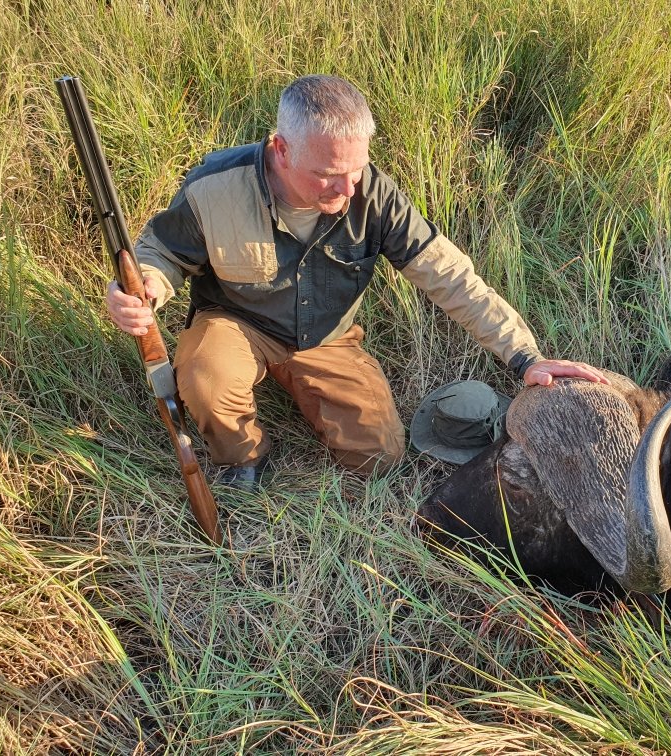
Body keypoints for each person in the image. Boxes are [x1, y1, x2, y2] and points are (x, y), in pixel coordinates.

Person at [106, 74, 609, 486]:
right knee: (206, 378)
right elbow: (158, 253)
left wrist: (527, 357)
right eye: (328, 173)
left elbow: (452, 277)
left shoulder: (373, 195)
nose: (348, 190)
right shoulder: (214, 187)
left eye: (357, 169)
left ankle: (295, 384)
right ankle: (246, 457)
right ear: (281, 149)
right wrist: (145, 286)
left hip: (326, 337)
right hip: (236, 323)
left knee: (379, 457)